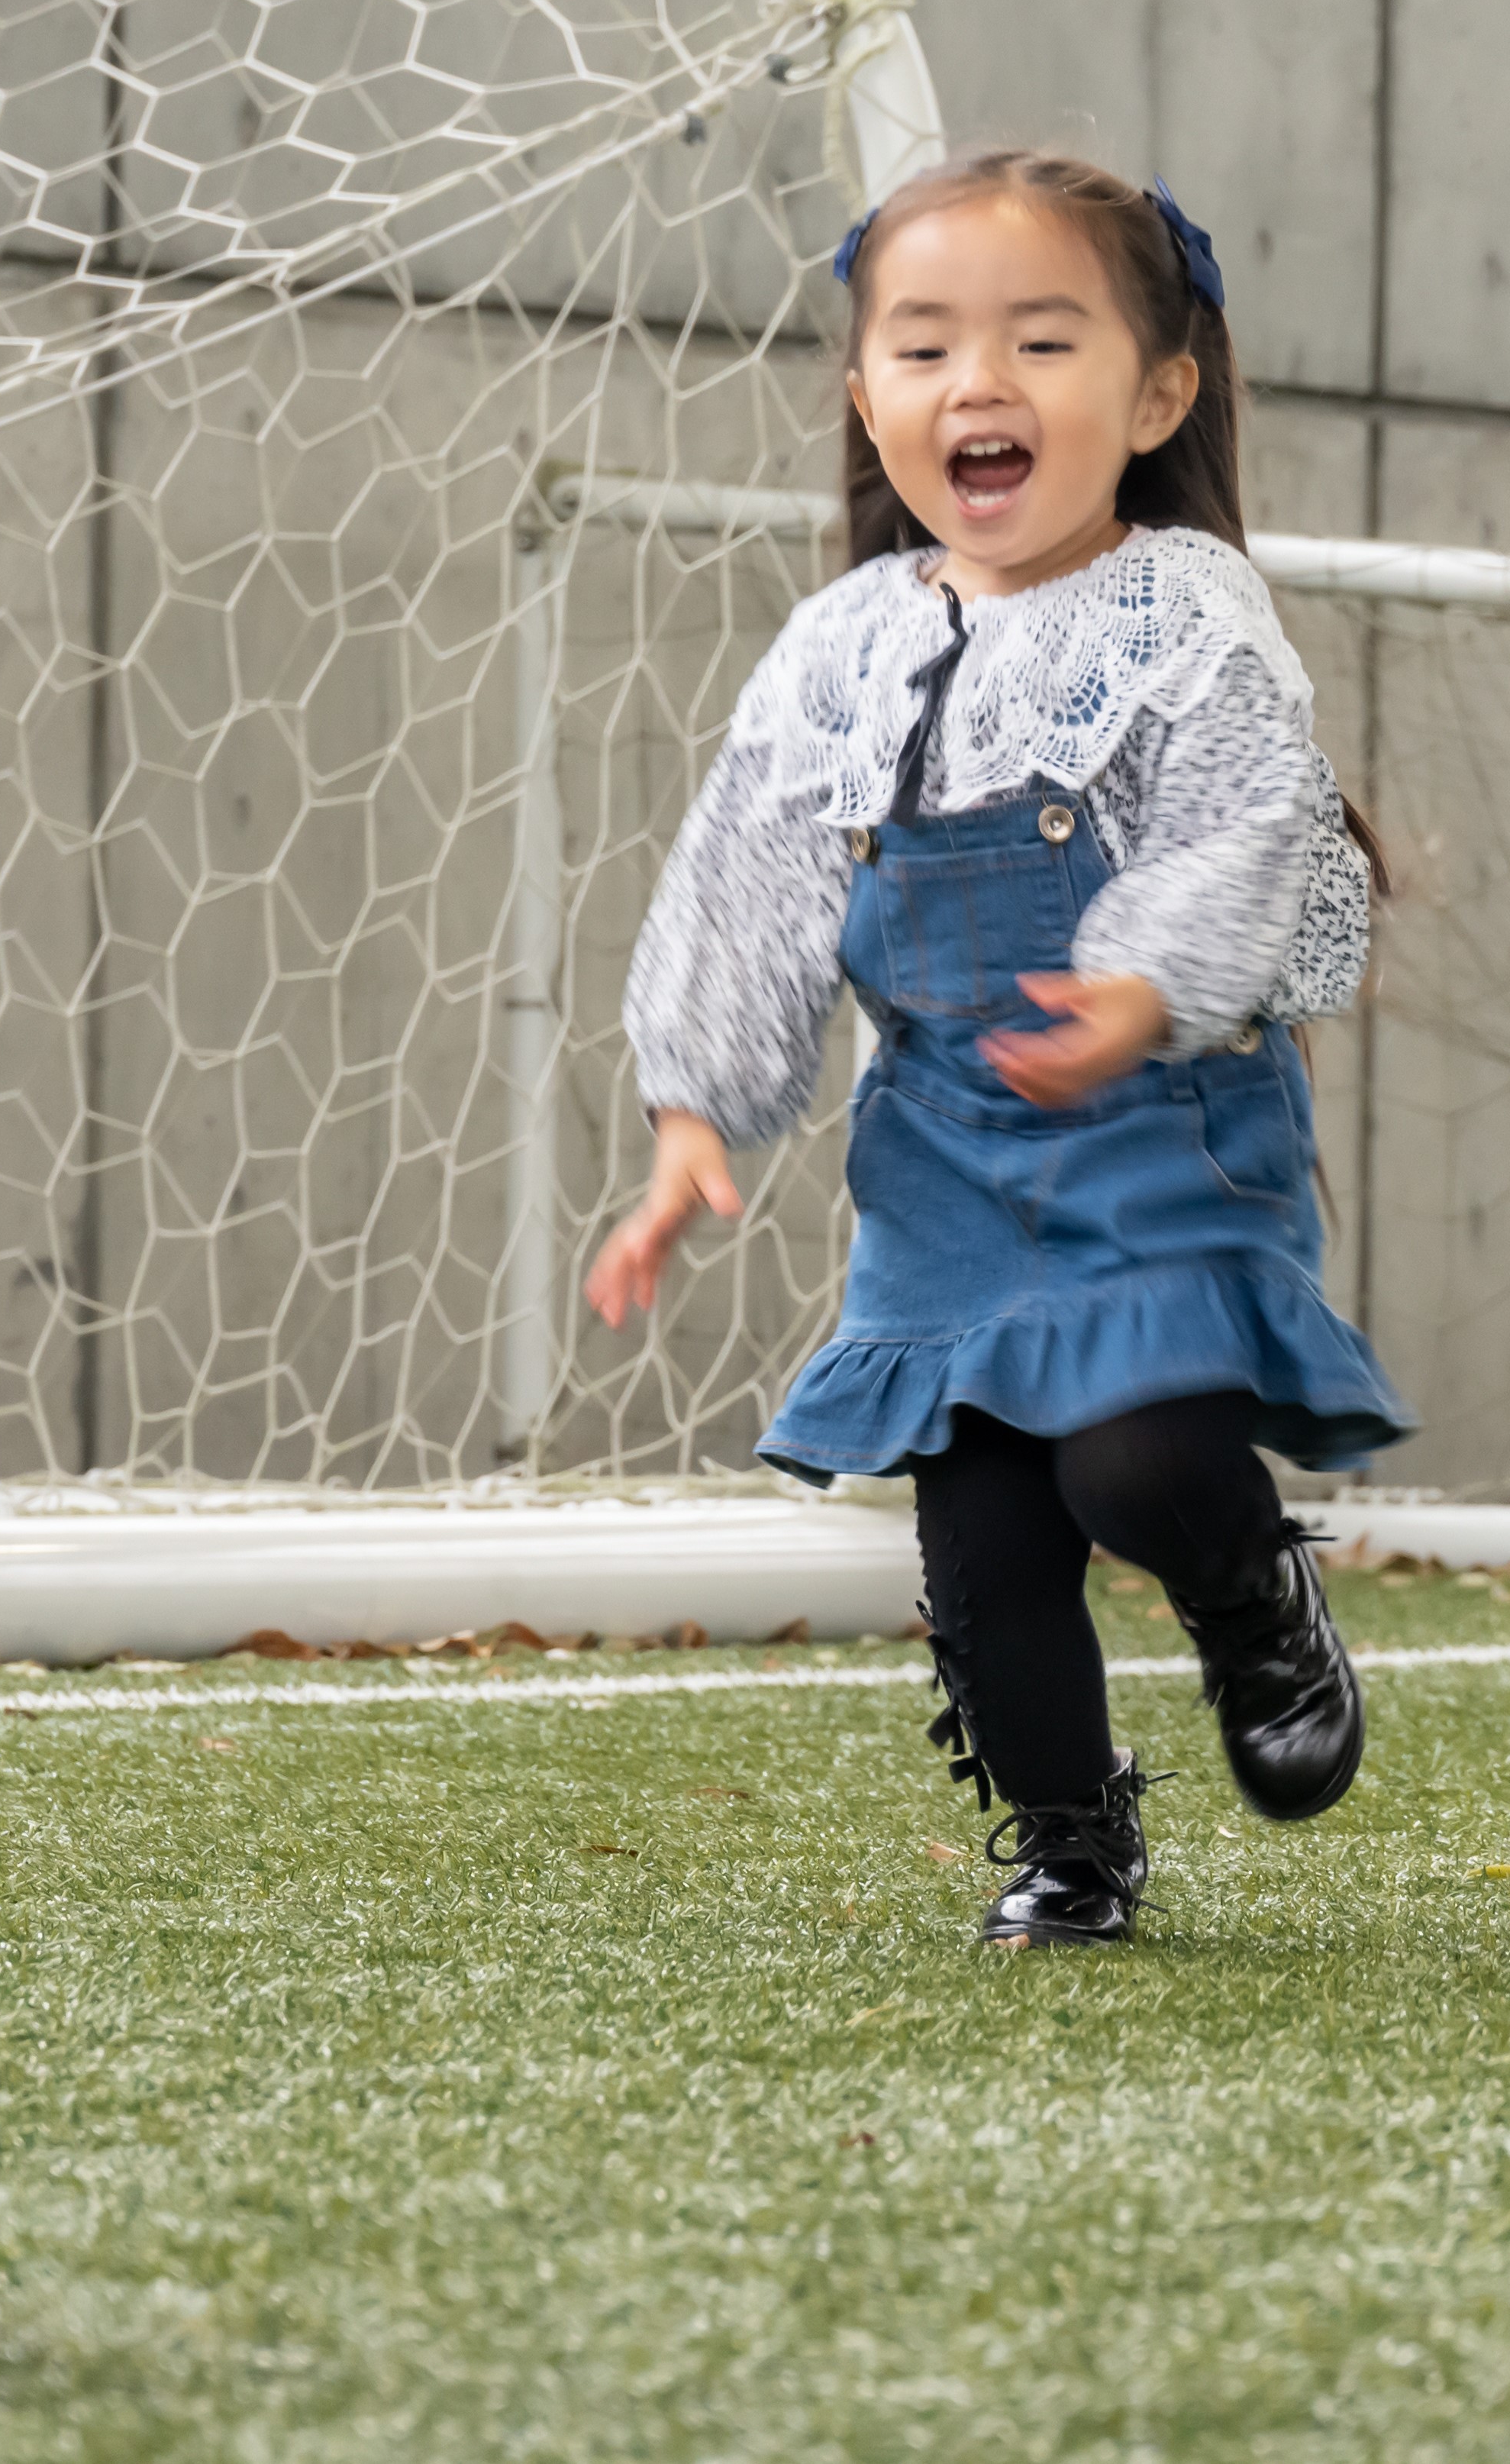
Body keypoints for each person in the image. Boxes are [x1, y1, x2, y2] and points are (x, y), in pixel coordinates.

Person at [587, 153, 1400, 1947]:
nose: (981, 386)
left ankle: (1250, 1588)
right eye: (926, 344)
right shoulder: (840, 649)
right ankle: (1067, 1838)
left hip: (1159, 1123)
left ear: (1156, 392)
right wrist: (693, 1112)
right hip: (948, 1147)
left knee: (1129, 1456)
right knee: (984, 1530)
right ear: (870, 393)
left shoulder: (1182, 616)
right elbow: (749, 875)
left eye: (1043, 340)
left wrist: (1140, 982)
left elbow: (1251, 815)